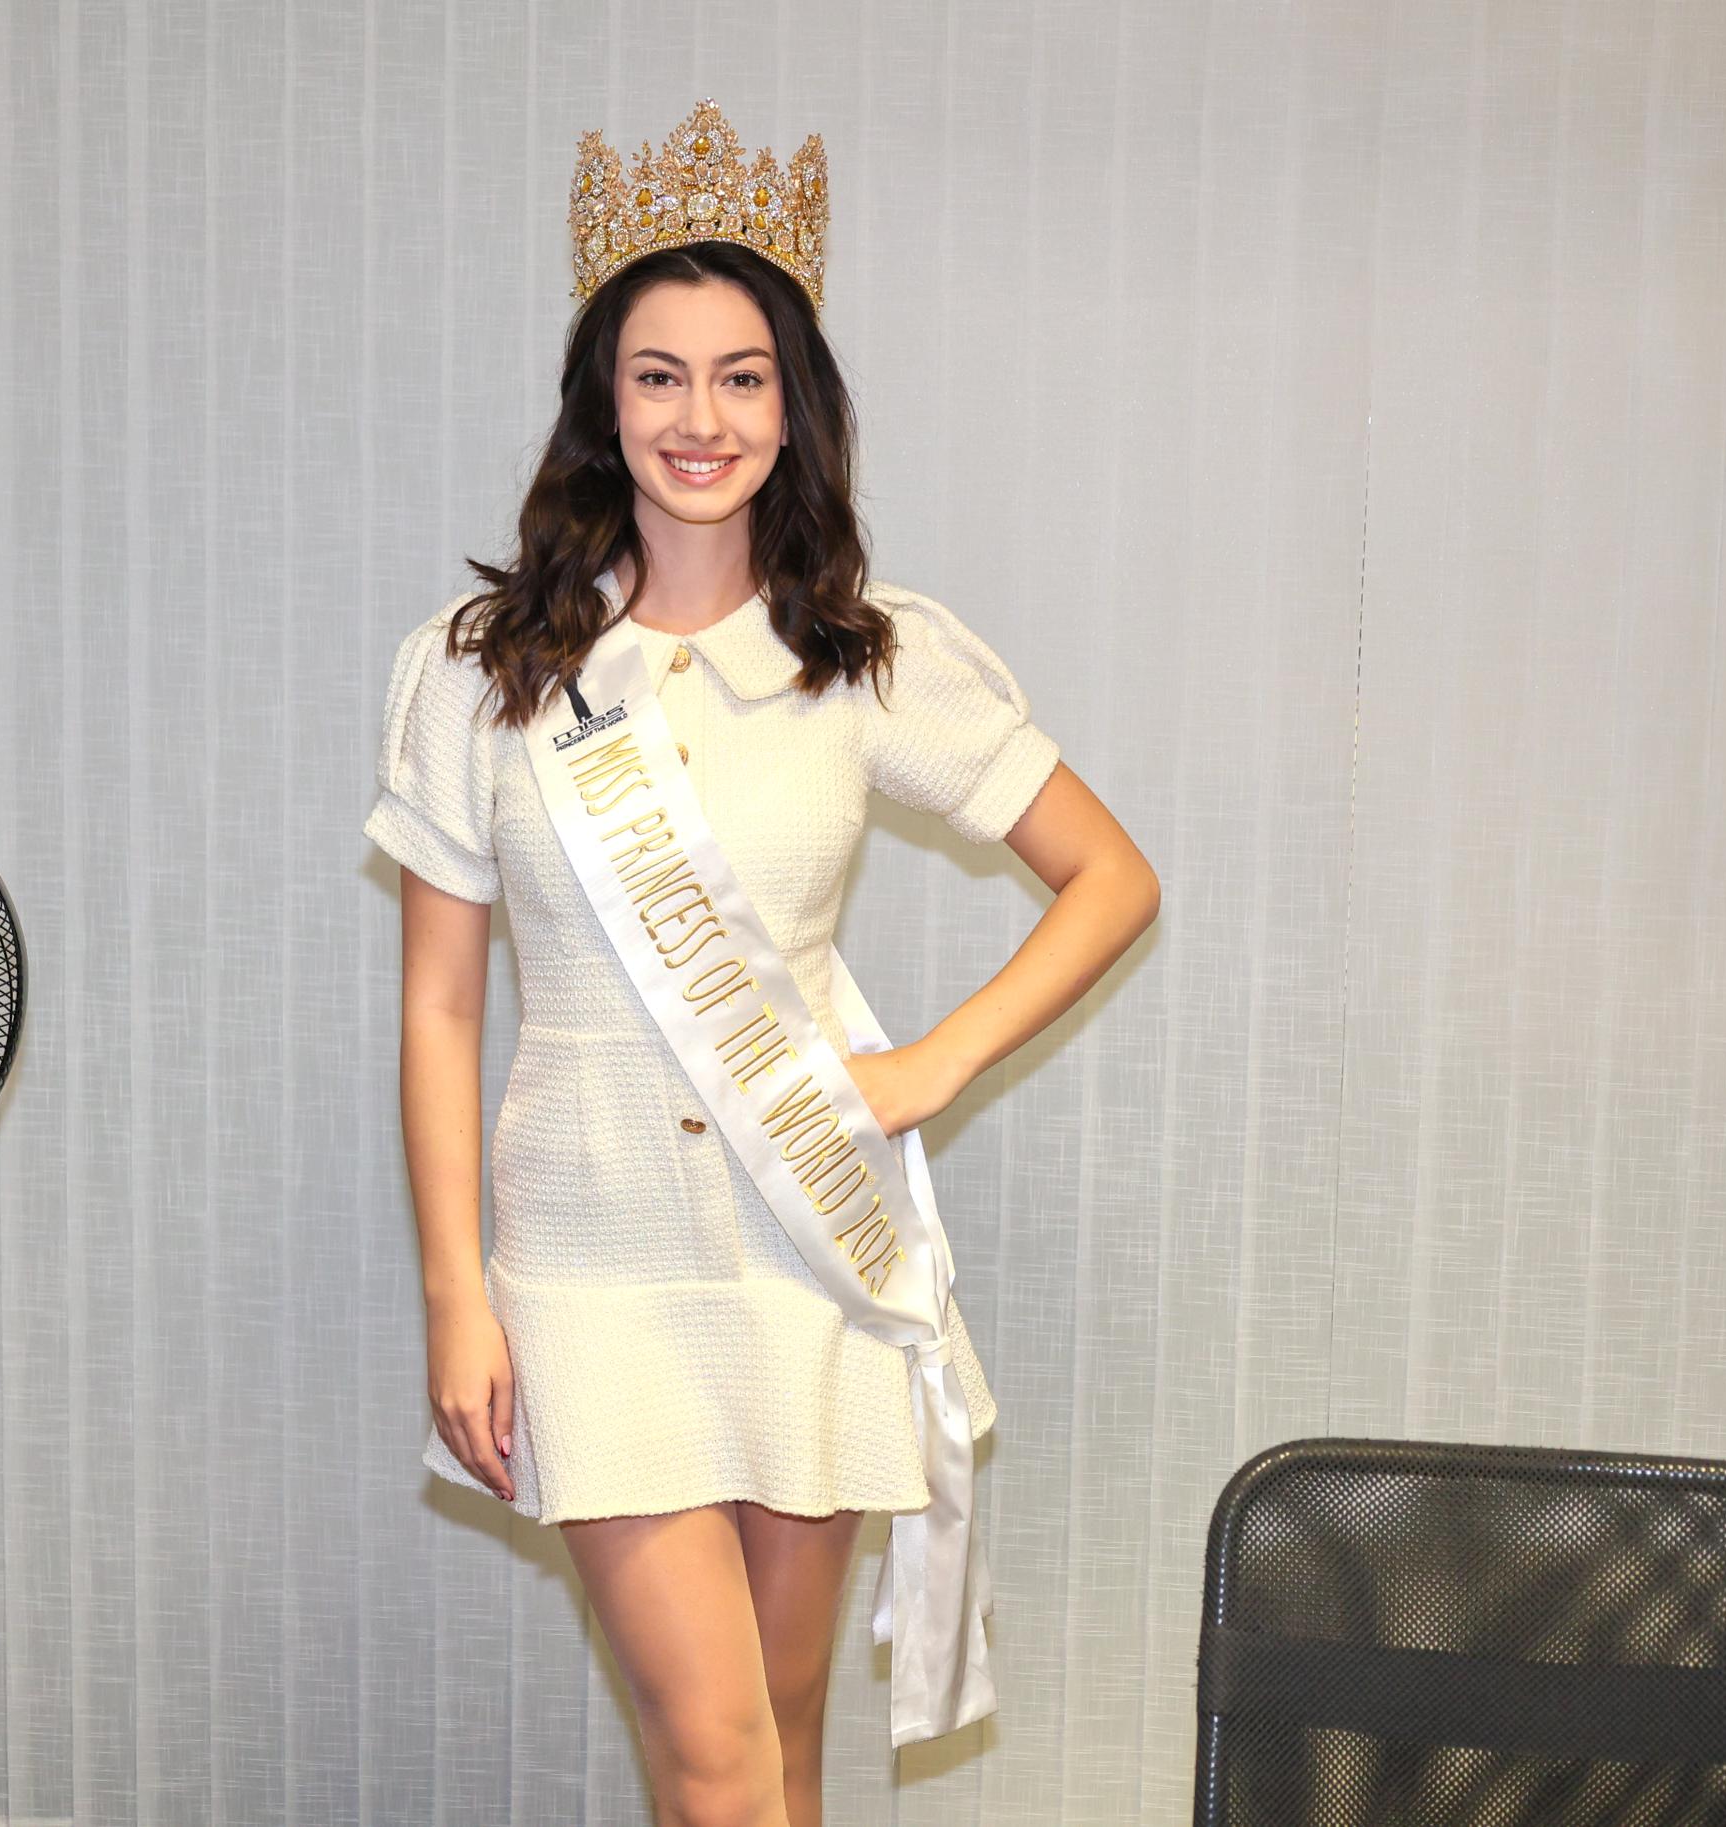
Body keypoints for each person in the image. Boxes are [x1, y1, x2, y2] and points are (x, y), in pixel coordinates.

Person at [364, 99, 1157, 1827]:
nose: (699, 419)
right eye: (659, 377)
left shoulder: (869, 659)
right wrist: (455, 1294)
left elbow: (1111, 879)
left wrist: (929, 1067)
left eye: (741, 377)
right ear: (604, 401)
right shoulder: (484, 673)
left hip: (808, 1244)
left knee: (781, 1755)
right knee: (721, 1767)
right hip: (589, 1261)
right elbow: (438, 1002)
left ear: (793, 404)